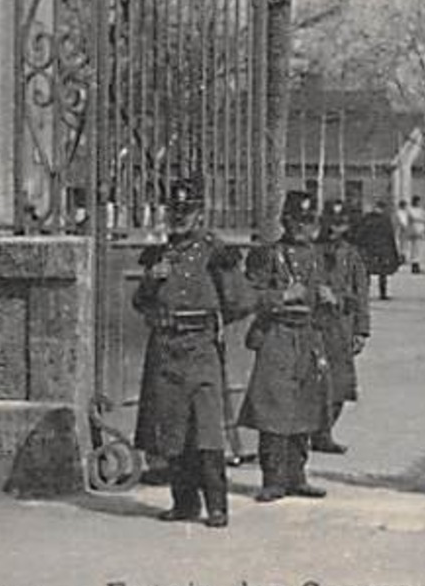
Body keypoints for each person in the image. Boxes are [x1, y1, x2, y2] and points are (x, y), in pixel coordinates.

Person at [132, 178, 250, 528]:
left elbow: (240, 301)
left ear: (201, 213)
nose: (180, 217)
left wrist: (210, 324)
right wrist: (152, 280)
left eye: (188, 211)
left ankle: (217, 506)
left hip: (200, 347)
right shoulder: (159, 253)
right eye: (175, 210)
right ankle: (184, 504)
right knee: (172, 427)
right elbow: (139, 302)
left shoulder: (216, 252)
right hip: (166, 347)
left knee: (207, 428)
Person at [239, 190, 333, 502]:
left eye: (308, 221)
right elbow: (247, 296)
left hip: (307, 334)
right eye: (296, 221)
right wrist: (282, 296)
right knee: (274, 406)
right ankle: (273, 479)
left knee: (304, 404)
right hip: (277, 333)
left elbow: (336, 295)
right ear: (285, 221)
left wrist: (329, 298)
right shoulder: (267, 255)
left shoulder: (318, 255)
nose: (303, 228)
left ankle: (297, 475)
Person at [312, 200, 369, 454]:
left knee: (341, 383)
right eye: (331, 223)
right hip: (314, 326)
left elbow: (361, 294)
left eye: (341, 224)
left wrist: (361, 330)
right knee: (314, 381)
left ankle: (324, 433)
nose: (336, 229)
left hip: (341, 325)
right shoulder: (311, 251)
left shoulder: (352, 255)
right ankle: (312, 432)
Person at [352, 200, 401, 300]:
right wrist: (393, 251)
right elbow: (390, 236)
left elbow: (360, 233)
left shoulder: (367, 218)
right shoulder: (385, 219)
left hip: (369, 248)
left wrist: (358, 244)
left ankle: (365, 292)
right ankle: (382, 293)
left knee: (367, 271)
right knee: (382, 272)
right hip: (382, 249)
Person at [404, 195, 425, 273]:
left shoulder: (420, 209)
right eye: (418, 201)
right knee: (414, 250)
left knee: (418, 250)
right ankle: (414, 266)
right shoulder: (410, 210)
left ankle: (417, 265)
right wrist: (422, 218)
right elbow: (414, 217)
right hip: (414, 232)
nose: (419, 203)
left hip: (420, 232)